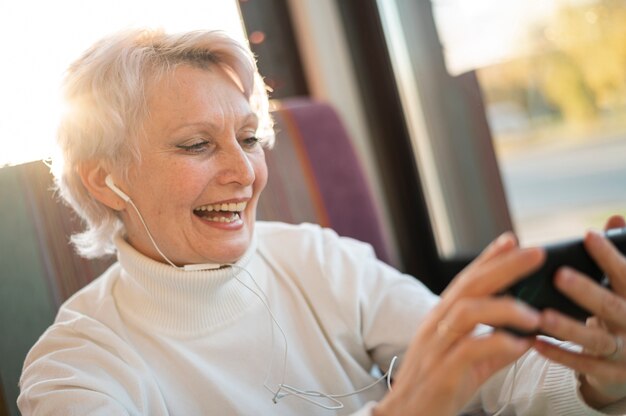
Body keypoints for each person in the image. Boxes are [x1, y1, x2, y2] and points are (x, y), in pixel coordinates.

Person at [17, 28, 626, 415]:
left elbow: (497, 374)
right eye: (196, 145)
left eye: (249, 138)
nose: (245, 172)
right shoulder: (76, 370)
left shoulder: (319, 259)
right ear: (105, 179)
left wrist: (598, 384)